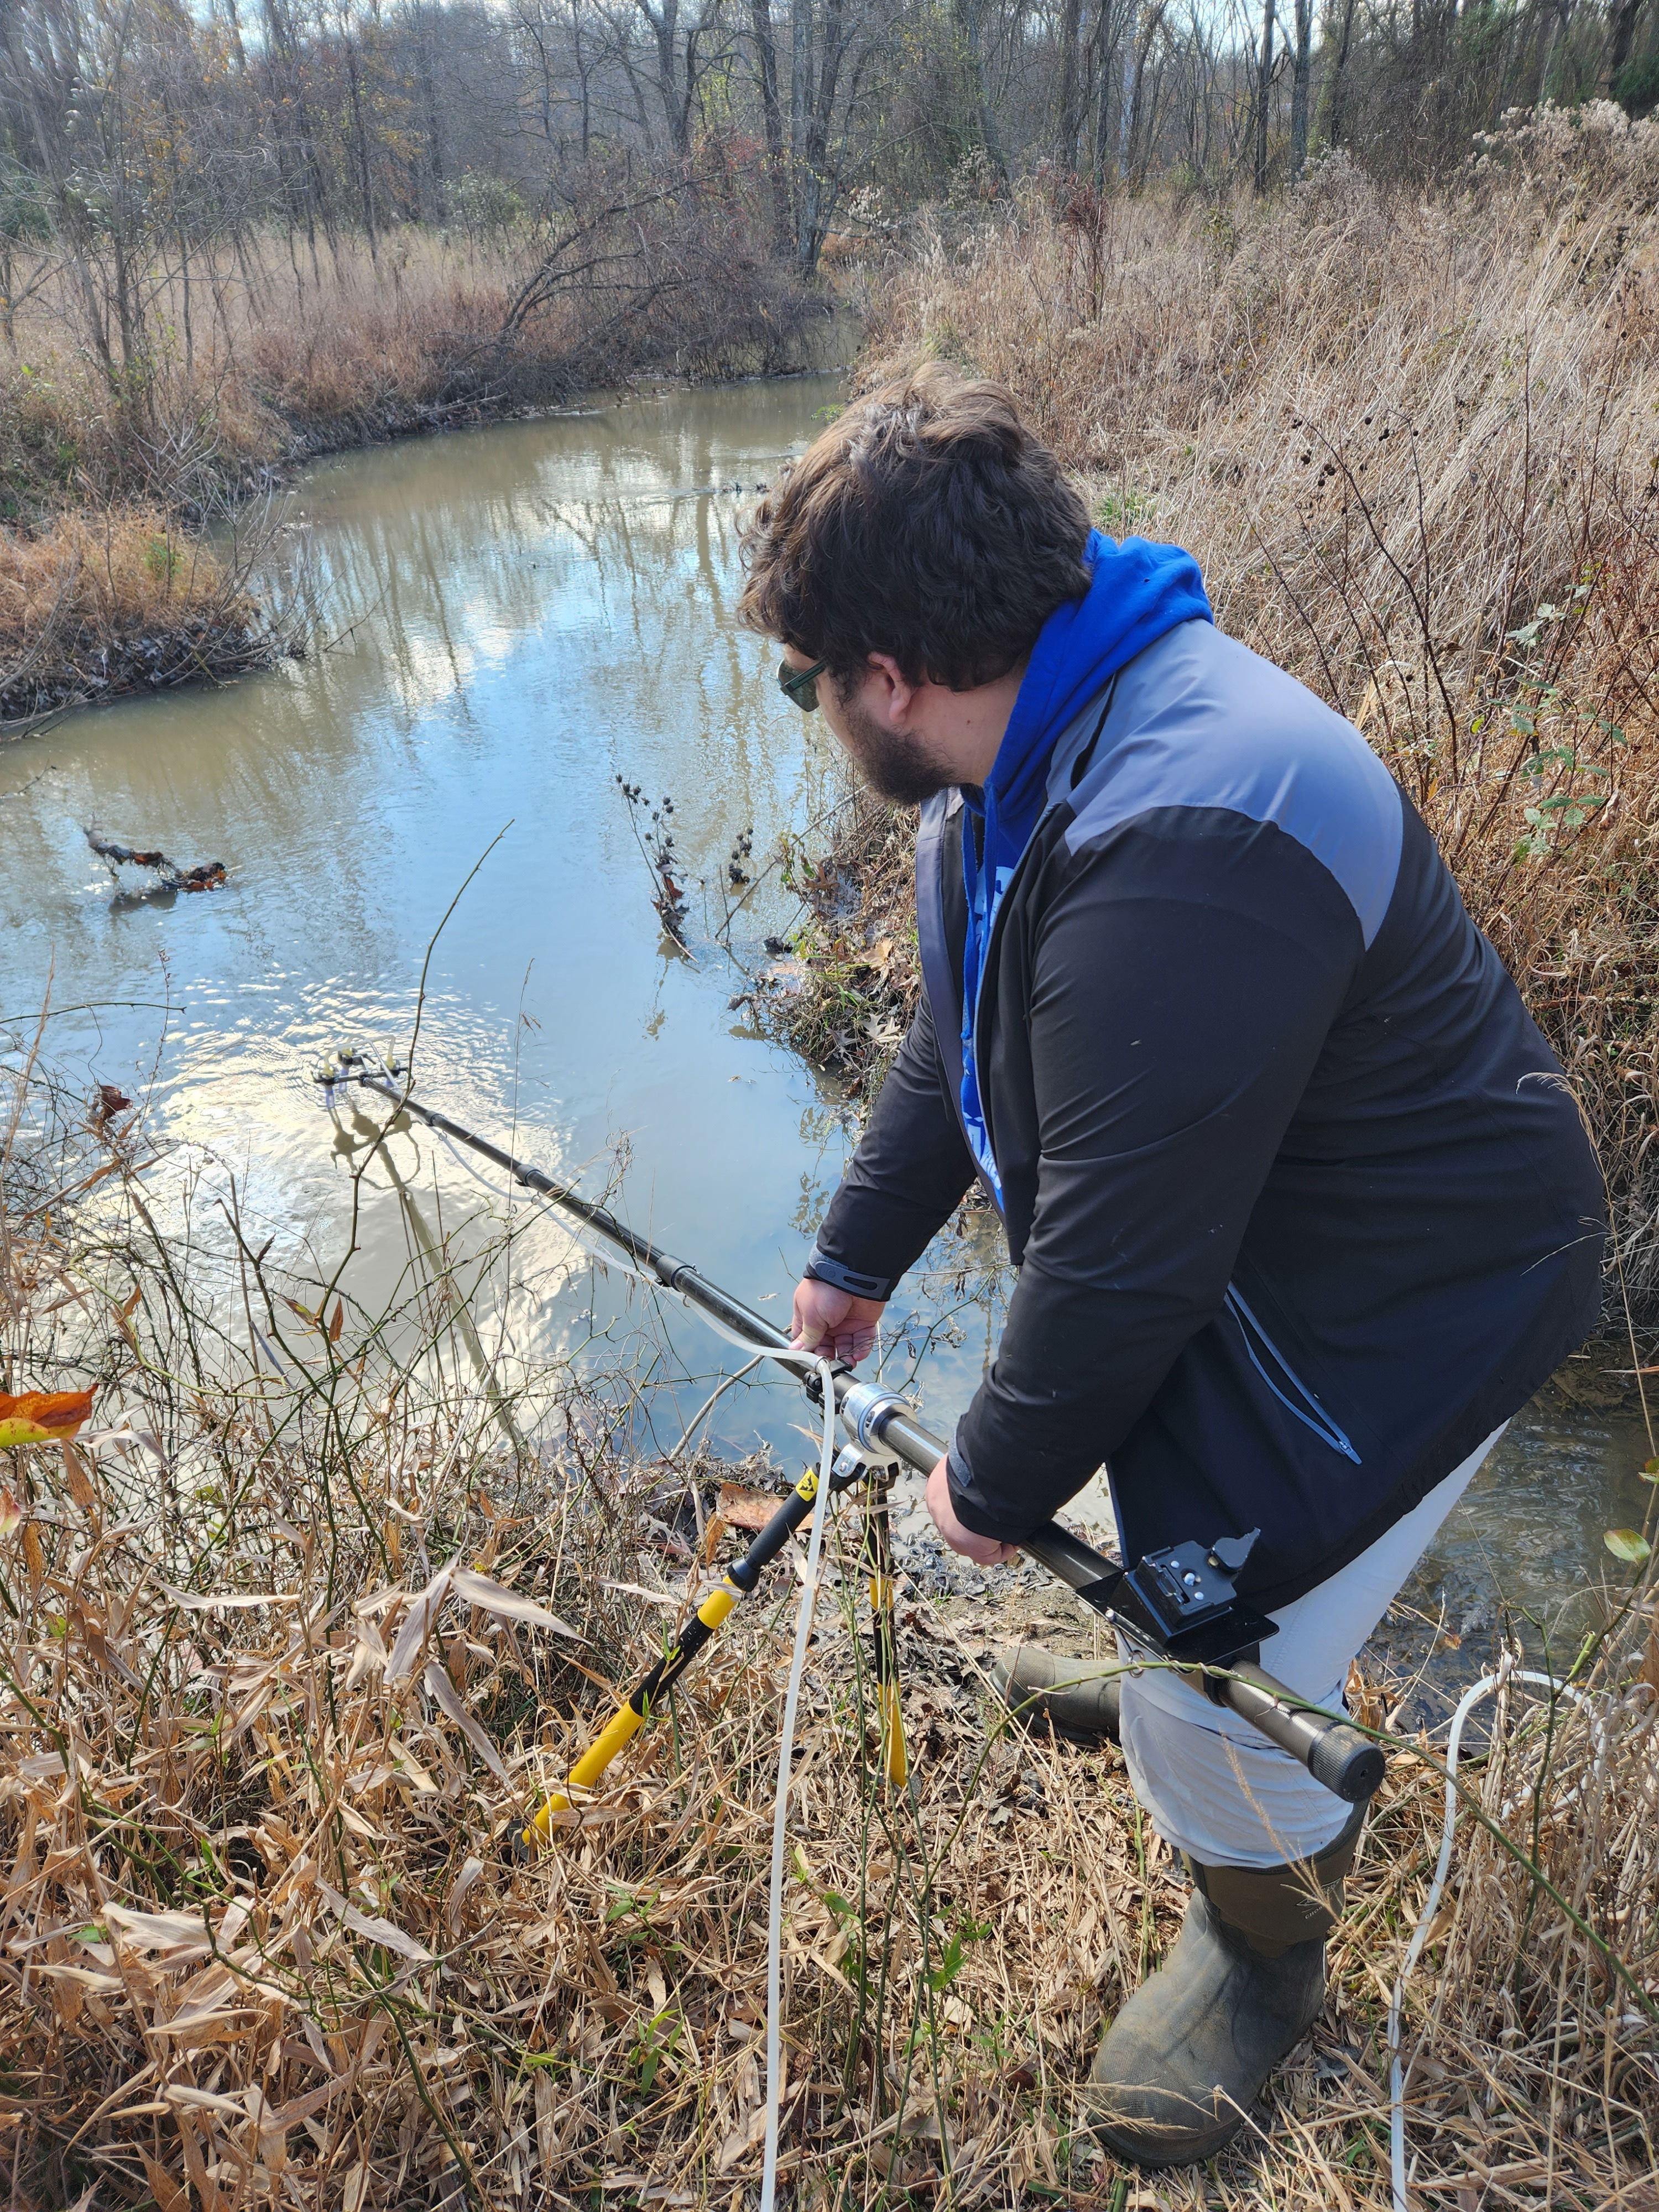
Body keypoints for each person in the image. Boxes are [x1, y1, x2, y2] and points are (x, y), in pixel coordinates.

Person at [735, 363, 1606, 2168]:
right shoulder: (1022, 757)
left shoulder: (1183, 833)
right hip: (1266, 1249)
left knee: (1209, 1661)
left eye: (817, 679)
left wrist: (987, 1486)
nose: (821, 709)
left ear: (890, 677)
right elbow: (953, 1043)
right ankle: (1147, 1652)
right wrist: (854, 1254)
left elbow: (1122, 1287)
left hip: (1418, 1304)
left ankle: (1261, 1938)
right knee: (1148, 1561)